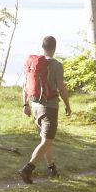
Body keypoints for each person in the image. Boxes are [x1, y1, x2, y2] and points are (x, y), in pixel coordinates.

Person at [19, 35, 71, 184]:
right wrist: (67, 104)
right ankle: (28, 169)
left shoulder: (34, 64)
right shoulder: (56, 65)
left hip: (35, 105)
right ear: (55, 48)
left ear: (42, 47)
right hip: (49, 107)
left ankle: (51, 168)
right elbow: (61, 87)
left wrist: (25, 104)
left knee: (45, 139)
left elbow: (25, 85)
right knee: (48, 140)